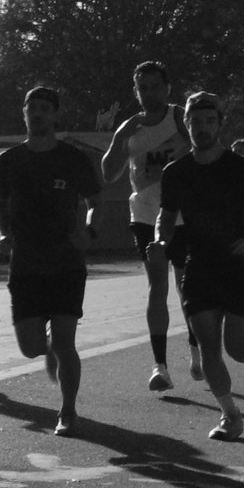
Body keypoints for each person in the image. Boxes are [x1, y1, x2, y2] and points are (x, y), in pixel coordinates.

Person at [156, 92, 244, 440]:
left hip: (242, 264)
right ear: (187, 125)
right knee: (209, 347)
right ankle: (230, 415)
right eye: (196, 121)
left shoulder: (240, 168)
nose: (202, 128)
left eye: (210, 121)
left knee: (236, 349)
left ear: (220, 125)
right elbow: (166, 218)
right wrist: (160, 242)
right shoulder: (176, 172)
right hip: (200, 266)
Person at [0, 84, 100, 437]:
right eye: (31, 108)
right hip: (25, 262)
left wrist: (87, 228)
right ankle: (48, 348)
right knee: (31, 347)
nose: (37, 113)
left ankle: (68, 411)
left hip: (66, 261)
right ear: (24, 114)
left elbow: (93, 200)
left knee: (65, 341)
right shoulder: (9, 160)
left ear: (54, 115)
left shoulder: (71, 159)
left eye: (43, 108)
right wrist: (3, 231)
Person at [99, 61, 195, 392]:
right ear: (136, 91)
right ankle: (160, 366)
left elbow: (206, 151)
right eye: (143, 88)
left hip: (183, 215)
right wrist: (120, 137)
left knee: (187, 288)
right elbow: (109, 173)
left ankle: (196, 350)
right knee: (158, 285)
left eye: (156, 86)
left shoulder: (180, 117)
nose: (149, 93)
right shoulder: (129, 128)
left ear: (167, 88)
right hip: (144, 215)